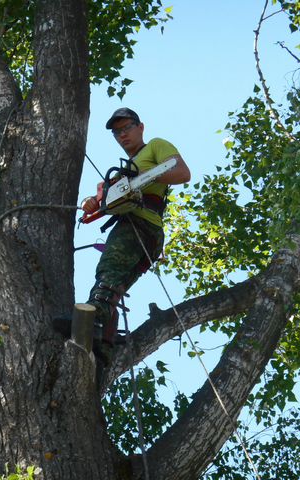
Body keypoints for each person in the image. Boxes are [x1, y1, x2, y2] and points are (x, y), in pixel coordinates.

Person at [82, 107, 191, 367]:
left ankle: (92, 318)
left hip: (140, 226)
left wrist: (142, 177)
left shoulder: (155, 147)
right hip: (137, 230)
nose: (122, 135)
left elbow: (182, 173)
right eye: (117, 132)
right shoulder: (118, 176)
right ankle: (103, 346)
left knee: (109, 270)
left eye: (127, 128)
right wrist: (91, 202)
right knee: (115, 285)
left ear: (140, 127)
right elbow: (98, 204)